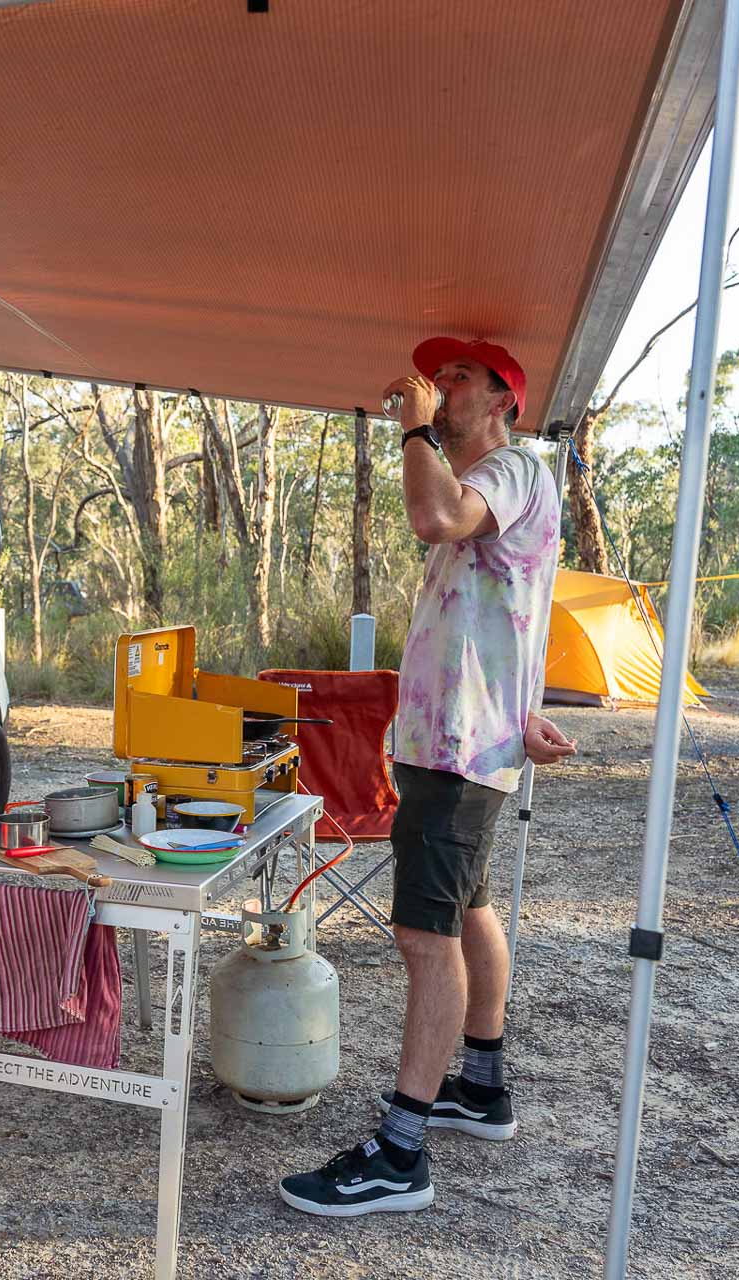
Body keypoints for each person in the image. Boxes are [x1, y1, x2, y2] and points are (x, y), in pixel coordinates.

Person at [280, 337, 578, 1217]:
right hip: (464, 741)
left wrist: (411, 432)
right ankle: (479, 1089)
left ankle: (400, 1151)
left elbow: (434, 521)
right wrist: (521, 707)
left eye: (458, 380)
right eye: (436, 379)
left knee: (424, 936)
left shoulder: (513, 470)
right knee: (469, 909)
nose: (440, 391)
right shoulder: (492, 486)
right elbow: (511, 613)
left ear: (503, 403)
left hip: (458, 751)